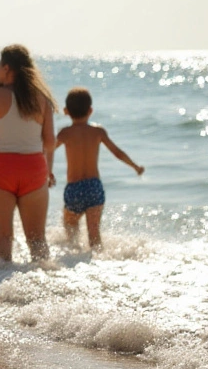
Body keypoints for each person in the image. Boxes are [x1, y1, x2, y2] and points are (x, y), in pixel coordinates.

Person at [0, 45, 57, 262]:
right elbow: (50, 142)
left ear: (7, 68)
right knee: (37, 239)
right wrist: (48, 170)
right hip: (34, 168)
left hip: (1, 168)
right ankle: (46, 283)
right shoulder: (43, 99)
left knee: (3, 236)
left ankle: (0, 286)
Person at [56, 87, 144, 249]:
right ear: (90, 110)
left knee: (70, 226)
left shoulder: (65, 133)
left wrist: (45, 173)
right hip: (94, 187)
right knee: (94, 233)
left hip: (74, 188)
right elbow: (117, 152)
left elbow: (46, 151)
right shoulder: (98, 132)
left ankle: (73, 257)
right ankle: (97, 262)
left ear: (66, 111)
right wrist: (135, 166)